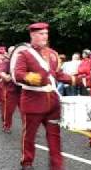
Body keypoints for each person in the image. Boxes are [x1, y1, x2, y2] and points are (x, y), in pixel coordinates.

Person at [12, 22, 80, 170]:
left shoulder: (53, 54)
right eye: (41, 34)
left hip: (52, 102)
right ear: (32, 35)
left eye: (46, 33)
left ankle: (57, 165)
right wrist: (29, 77)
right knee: (29, 136)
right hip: (33, 101)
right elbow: (17, 74)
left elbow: (57, 74)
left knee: (54, 135)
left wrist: (76, 79)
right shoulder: (24, 54)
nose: (45, 36)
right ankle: (27, 162)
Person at [0, 46, 21, 133]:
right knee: (9, 110)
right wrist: (12, 75)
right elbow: (3, 74)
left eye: (15, 52)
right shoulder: (6, 62)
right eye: (12, 52)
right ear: (8, 53)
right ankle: (6, 126)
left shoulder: (21, 61)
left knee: (25, 111)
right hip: (11, 90)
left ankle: (28, 128)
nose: (14, 54)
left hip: (22, 90)